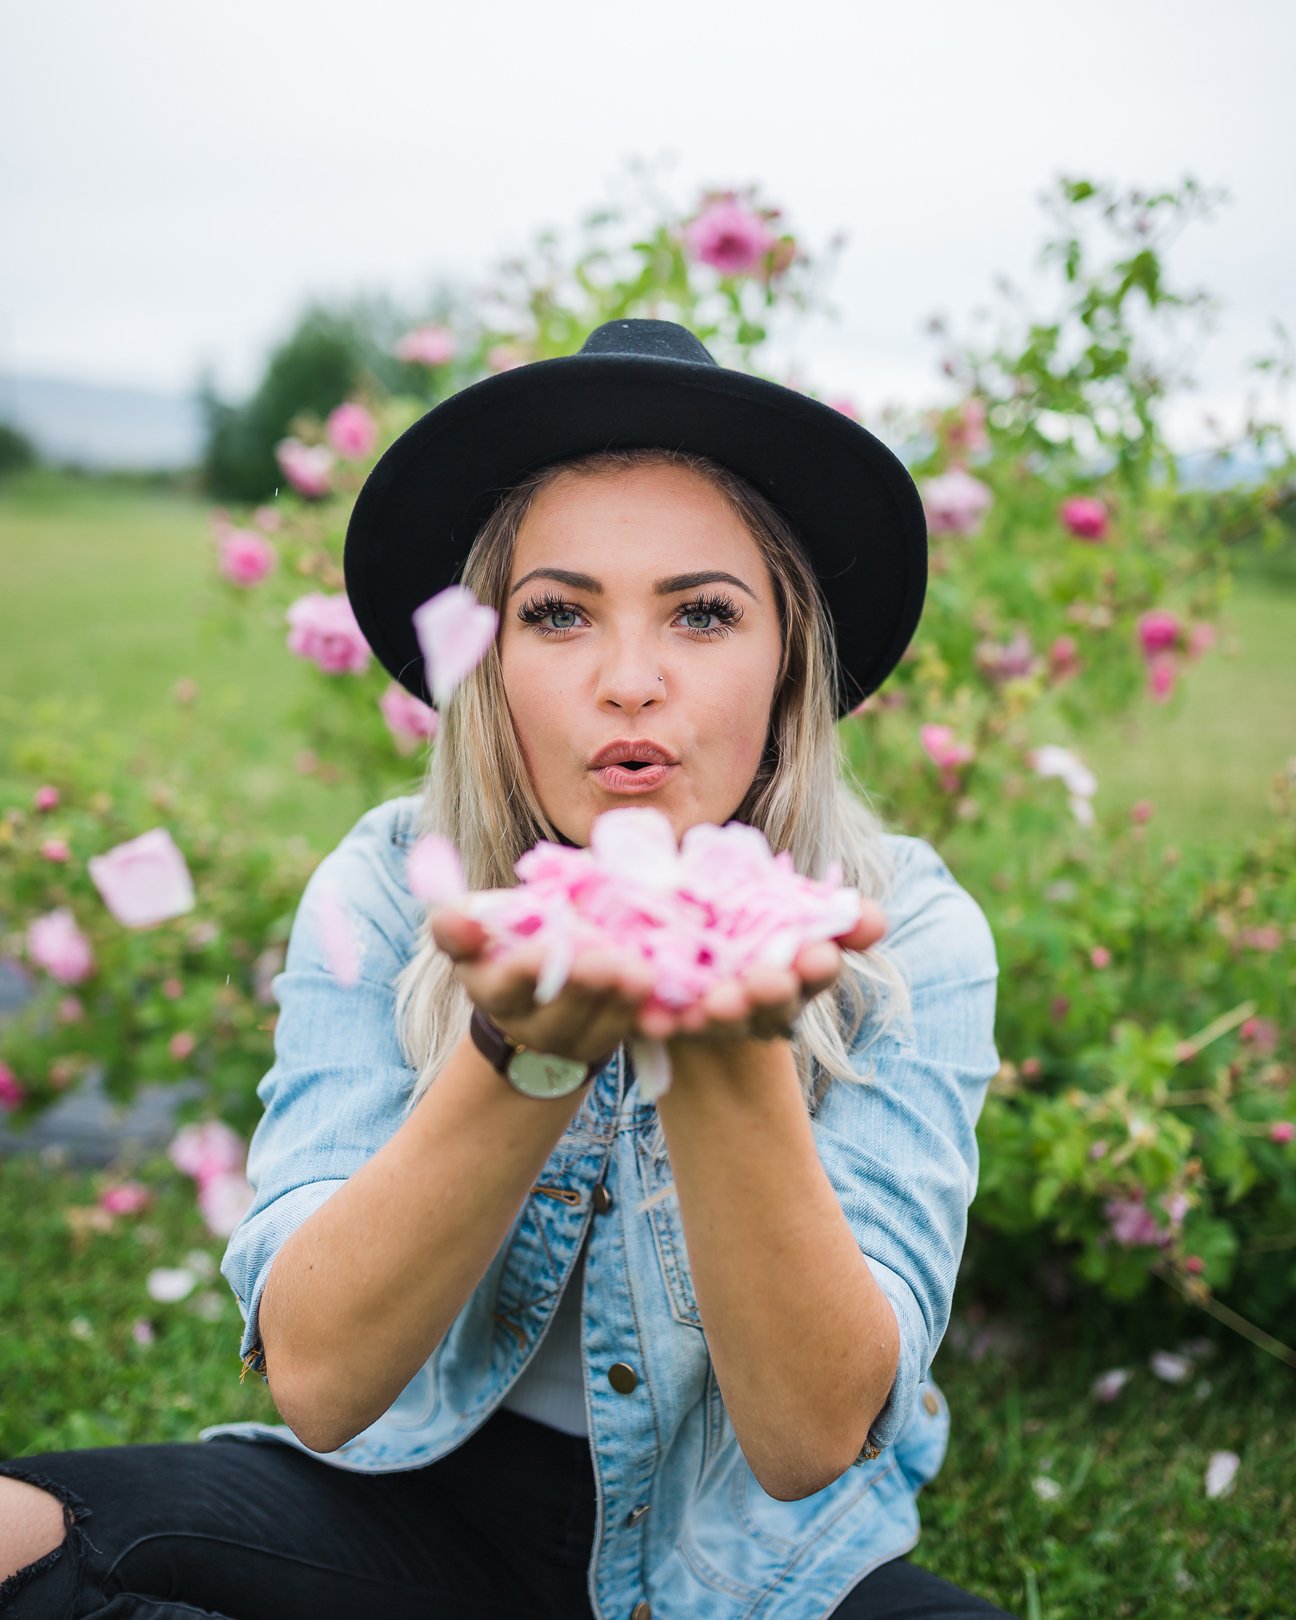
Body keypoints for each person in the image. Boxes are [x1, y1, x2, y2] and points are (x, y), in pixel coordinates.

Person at [0, 319, 1015, 1619]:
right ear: (488, 659)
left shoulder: (909, 934)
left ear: (789, 658)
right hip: (407, 1508)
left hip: (745, 1565)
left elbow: (809, 1436)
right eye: (559, 614)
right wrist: (519, 1051)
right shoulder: (385, 886)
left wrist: (722, 1044)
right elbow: (318, 1374)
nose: (630, 682)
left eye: (703, 613)